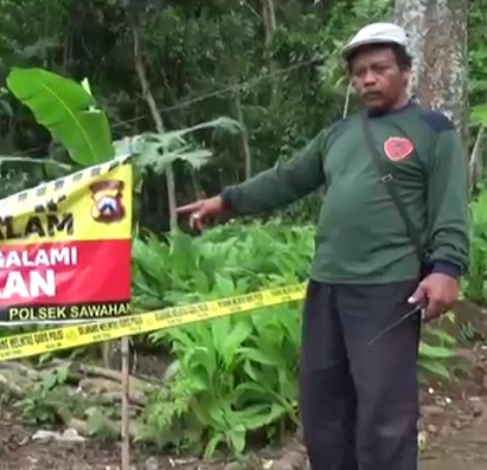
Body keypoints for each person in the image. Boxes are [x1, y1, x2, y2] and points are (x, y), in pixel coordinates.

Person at [176, 22, 469, 470]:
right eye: (359, 72)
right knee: (324, 406)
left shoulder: (432, 130)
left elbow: (450, 205)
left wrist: (446, 268)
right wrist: (227, 201)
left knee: (383, 412)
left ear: (405, 70)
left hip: (388, 288)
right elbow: (286, 179)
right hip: (326, 285)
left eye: (379, 68)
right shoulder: (338, 135)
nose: (368, 79)